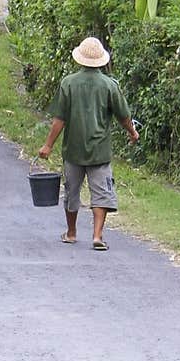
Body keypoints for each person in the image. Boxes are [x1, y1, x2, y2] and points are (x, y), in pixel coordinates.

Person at [38, 36, 139, 251]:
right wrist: (132, 132)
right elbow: (123, 115)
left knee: (71, 191)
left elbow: (59, 119)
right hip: (99, 150)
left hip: (73, 149)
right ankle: (97, 235)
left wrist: (48, 145)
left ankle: (72, 232)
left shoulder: (68, 83)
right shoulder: (110, 85)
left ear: (80, 59)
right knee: (101, 191)